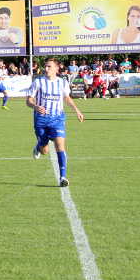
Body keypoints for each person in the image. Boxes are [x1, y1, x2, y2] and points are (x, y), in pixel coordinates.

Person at [27, 58, 85, 187]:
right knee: (44, 150)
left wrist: (77, 111)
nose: (46, 69)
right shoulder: (38, 82)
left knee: (60, 146)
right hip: (41, 120)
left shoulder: (62, 82)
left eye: (49, 67)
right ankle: (39, 146)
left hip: (57, 119)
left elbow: (66, 98)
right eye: (45, 66)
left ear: (56, 68)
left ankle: (63, 177)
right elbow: (28, 100)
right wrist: (35, 106)